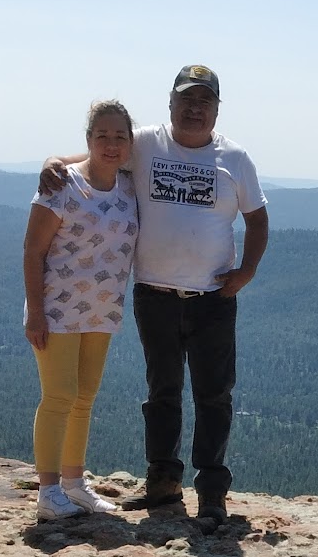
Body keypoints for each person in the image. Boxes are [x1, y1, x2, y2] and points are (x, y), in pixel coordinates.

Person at [42, 63, 269, 526]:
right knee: (161, 392)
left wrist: (246, 271)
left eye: (204, 101)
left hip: (213, 297)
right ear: (170, 104)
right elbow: (100, 156)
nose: (195, 109)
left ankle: (211, 494)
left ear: (217, 110)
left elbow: (257, 218)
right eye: (187, 100)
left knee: (213, 395)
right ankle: (163, 486)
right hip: (155, 294)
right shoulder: (144, 143)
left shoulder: (236, 159)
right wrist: (56, 163)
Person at [24, 99, 140, 521]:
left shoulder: (128, 182)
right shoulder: (61, 185)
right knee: (58, 397)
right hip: (56, 308)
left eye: (119, 136)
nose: (111, 144)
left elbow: (117, 157)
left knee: (84, 398)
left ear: (130, 142)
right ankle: (48, 491)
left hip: (102, 309)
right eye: (101, 136)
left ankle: (74, 485)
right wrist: (35, 312)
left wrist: (57, 156)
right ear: (88, 139)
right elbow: (33, 250)